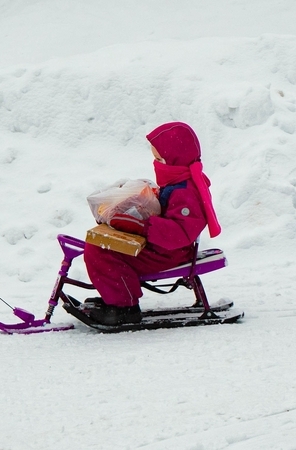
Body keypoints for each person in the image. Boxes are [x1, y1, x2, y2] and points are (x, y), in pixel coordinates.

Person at [83, 122, 222, 326]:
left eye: (160, 159)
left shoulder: (185, 191)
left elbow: (180, 232)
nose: (156, 163)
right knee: (103, 246)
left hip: (168, 253)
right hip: (161, 247)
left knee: (102, 252)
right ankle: (117, 295)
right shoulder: (178, 180)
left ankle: (124, 307)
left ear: (175, 160)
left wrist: (142, 225)